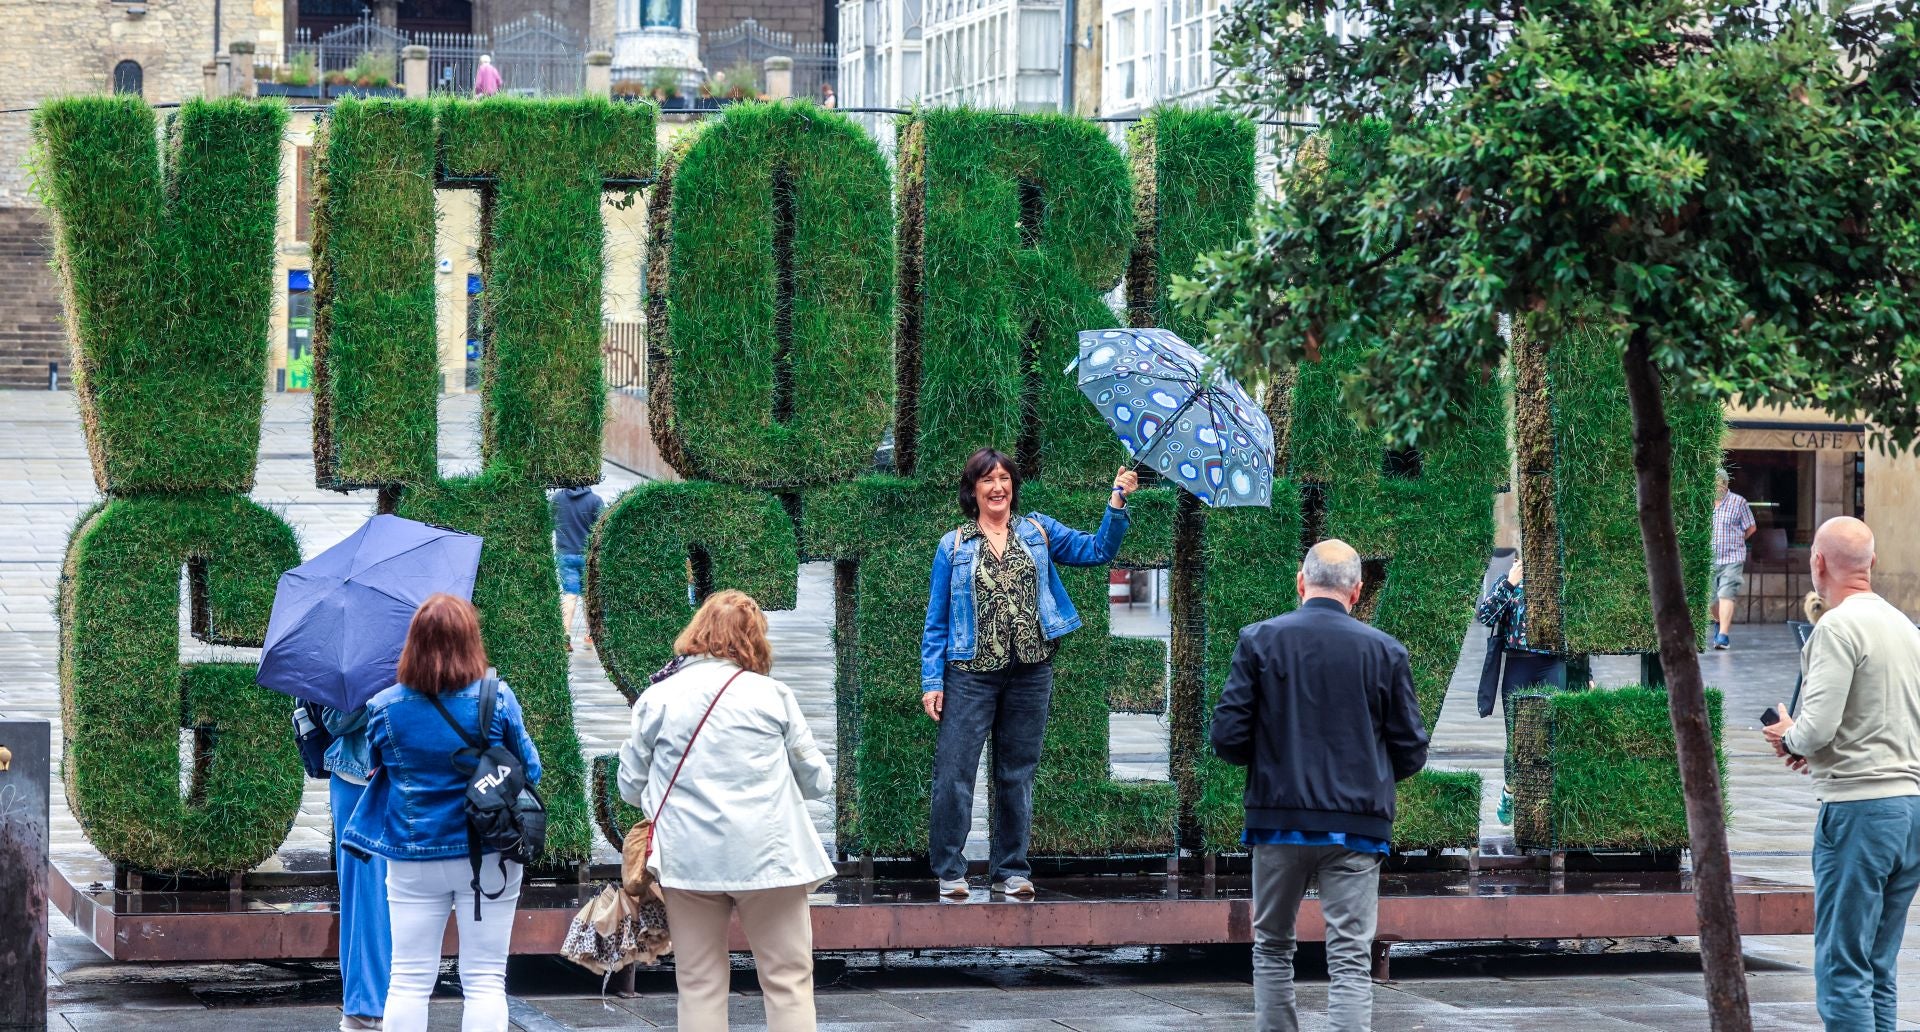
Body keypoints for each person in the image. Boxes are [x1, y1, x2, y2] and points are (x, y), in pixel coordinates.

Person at [1211, 539, 1430, 1032]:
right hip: (1357, 826)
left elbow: (1226, 737)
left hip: (1278, 818)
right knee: (1351, 957)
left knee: (1272, 946)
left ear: (1301, 582)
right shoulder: (1386, 651)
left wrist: (1273, 762)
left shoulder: (1259, 640)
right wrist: (1368, 774)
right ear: (1357, 591)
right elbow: (1412, 750)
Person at [920, 448, 1139, 899]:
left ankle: (1010, 871)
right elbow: (936, 621)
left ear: (1013, 486)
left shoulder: (1037, 531)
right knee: (955, 773)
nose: (997, 486)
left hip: (1030, 672)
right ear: (973, 490)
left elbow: (1097, 550)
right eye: (987, 479)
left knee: (1017, 774)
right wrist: (932, 681)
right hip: (970, 673)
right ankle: (950, 872)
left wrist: (1117, 500)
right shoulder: (954, 545)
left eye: (1004, 478)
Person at [618, 590, 834, 1032]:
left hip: (688, 859)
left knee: (699, 983)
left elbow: (628, 785)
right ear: (754, 640)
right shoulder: (773, 695)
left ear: (697, 632)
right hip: (770, 859)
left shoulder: (658, 697)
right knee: (788, 979)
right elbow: (817, 781)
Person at [342, 594, 543, 1032]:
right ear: (471, 640)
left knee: (408, 979)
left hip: (413, 853)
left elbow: (373, 766)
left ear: (412, 644)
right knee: (485, 979)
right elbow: (531, 770)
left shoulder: (384, 707)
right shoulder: (497, 697)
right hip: (489, 851)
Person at [1764, 517, 1920, 1031]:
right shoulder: (1905, 627)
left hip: (1859, 812)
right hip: (1910, 809)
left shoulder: (1836, 627)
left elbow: (1817, 727)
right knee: (1878, 966)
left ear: (1818, 562)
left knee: (1843, 965)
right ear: (1872, 562)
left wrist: (1790, 737)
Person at [1473, 552, 1567, 824]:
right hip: (1519, 662)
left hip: (1552, 663)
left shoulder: (1557, 581)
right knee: (1517, 738)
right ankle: (1510, 790)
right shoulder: (1509, 581)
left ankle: (1545, 803)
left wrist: (1588, 674)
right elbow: (1485, 616)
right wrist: (1510, 583)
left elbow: (1573, 631)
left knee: (1552, 734)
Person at [321, 701, 390, 1032]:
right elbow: (334, 719)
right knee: (365, 900)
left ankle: (376, 1004)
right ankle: (365, 1007)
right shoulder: (371, 674)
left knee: (396, 902)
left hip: (406, 787)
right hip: (360, 783)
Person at [552, 486, 605, 652]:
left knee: (570, 594)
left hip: (565, 554)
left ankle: (565, 635)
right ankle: (590, 635)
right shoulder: (595, 501)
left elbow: (549, 523)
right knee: (588, 595)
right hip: (587, 556)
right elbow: (602, 528)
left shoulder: (557, 499)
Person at [1711, 468, 1756, 650]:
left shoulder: (1739, 502)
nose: (1717, 488)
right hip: (1710, 559)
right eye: (1714, 484)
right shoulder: (1704, 502)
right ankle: (1718, 621)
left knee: (1726, 594)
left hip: (1732, 557)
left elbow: (1751, 527)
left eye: (1720, 484)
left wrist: (1738, 540)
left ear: (1726, 484)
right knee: (1710, 600)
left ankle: (1723, 635)